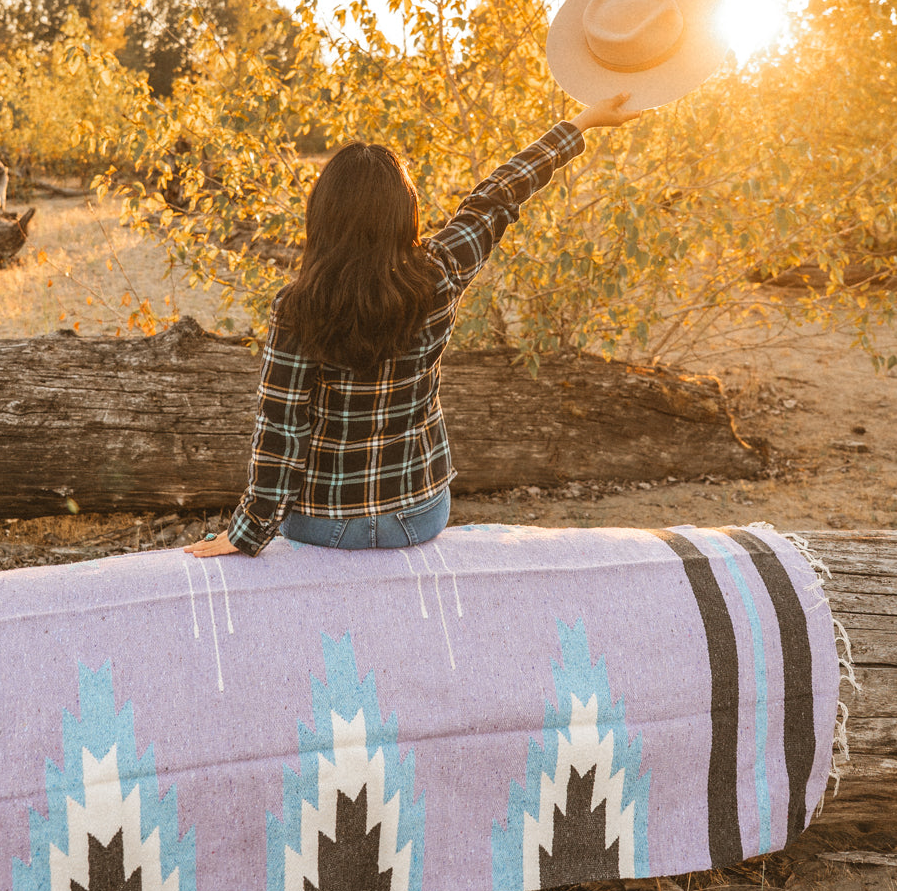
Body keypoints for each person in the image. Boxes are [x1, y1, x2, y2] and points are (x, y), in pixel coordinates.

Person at [183, 92, 641, 560]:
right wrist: (583, 121)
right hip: (419, 514)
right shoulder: (441, 273)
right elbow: (498, 194)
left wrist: (248, 532)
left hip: (324, 521)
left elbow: (282, 428)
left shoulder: (299, 307)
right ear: (406, 212)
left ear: (323, 216)